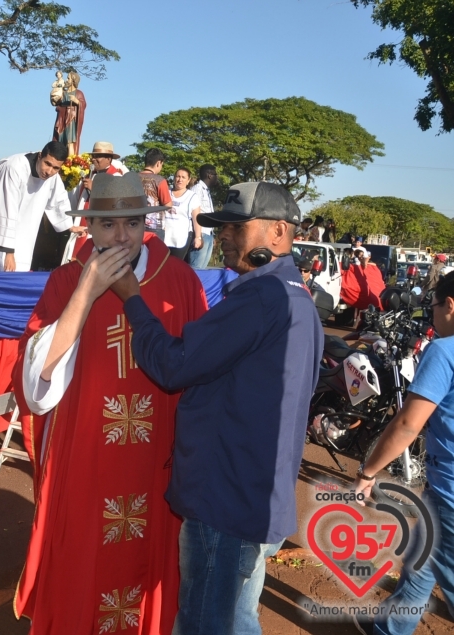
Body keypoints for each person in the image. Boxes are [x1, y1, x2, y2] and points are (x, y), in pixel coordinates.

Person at [115, 181, 324, 635]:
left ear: (278, 232)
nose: (224, 235)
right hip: (259, 498)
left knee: (203, 623)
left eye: (235, 226)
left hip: (225, 501)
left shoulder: (261, 298)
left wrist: (132, 298)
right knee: (237, 619)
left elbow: (173, 365)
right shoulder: (297, 297)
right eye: (220, 226)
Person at [13, 171, 208, 634]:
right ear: (89, 227)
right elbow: (37, 379)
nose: (122, 237)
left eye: (133, 223)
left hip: (156, 460)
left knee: (150, 571)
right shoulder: (65, 281)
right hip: (86, 461)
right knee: (84, 565)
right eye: (108, 225)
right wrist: (88, 288)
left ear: (147, 224)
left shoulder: (180, 281)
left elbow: (200, 374)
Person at [352, 271, 454, 635]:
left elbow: (408, 424)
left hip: (451, 493)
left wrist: (367, 473)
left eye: (436, 306)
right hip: (442, 490)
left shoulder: (444, 350)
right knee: (421, 558)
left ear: (451, 305)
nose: (435, 315)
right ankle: (391, 625)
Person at [0, 141, 84, 272]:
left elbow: (58, 199)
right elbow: (5, 208)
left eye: (56, 168)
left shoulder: (51, 174)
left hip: (22, 226)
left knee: (17, 268)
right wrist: (9, 252)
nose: (49, 171)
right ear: (39, 156)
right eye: (47, 164)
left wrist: (69, 226)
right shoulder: (15, 168)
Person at [166, 167, 202, 261]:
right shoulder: (166, 193)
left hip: (181, 237)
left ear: (188, 180)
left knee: (176, 265)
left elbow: (196, 218)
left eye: (183, 177)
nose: (180, 179)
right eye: (178, 176)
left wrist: (198, 237)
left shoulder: (192, 196)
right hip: (164, 236)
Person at [138, 149, 173, 241]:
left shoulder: (132, 178)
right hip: (154, 227)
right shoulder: (160, 180)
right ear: (158, 163)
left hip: (135, 225)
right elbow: (168, 205)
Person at [188, 164, 217, 269]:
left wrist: (212, 235)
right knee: (196, 269)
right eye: (215, 174)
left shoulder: (206, 191)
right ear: (209, 175)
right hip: (201, 234)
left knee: (202, 269)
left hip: (208, 234)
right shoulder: (197, 189)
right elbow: (192, 213)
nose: (216, 177)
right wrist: (198, 236)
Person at [52, 71, 86, 156]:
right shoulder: (64, 92)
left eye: (68, 78)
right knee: (60, 140)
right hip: (62, 118)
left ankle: (70, 162)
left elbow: (83, 104)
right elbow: (56, 103)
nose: (66, 80)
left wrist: (76, 101)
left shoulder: (78, 93)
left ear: (73, 80)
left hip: (71, 119)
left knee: (70, 141)